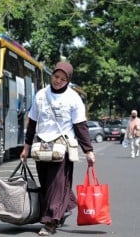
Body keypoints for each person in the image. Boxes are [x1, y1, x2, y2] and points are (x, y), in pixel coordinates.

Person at [20, 61, 96, 236]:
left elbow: (80, 127)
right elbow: (32, 123)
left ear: (68, 80)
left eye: (63, 79)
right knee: (47, 184)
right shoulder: (40, 95)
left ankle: (50, 222)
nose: (58, 81)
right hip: (42, 146)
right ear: (51, 75)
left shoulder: (73, 98)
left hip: (62, 148)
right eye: (56, 77)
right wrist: (26, 147)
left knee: (57, 184)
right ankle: (66, 206)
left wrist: (89, 151)